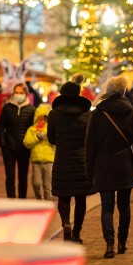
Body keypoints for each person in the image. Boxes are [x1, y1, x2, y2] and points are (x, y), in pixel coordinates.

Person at [85, 76, 133, 259]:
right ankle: (122, 242)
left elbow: (90, 146)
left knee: (107, 207)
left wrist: (89, 171)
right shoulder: (130, 112)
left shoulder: (98, 113)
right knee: (124, 206)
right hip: (125, 164)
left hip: (104, 164)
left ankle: (109, 243)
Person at [48, 73, 93, 244]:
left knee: (63, 195)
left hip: (62, 159)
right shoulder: (86, 114)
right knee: (81, 197)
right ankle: (77, 232)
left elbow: (51, 139)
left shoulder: (54, 114)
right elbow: (89, 137)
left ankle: (66, 224)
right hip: (81, 159)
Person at [0, 83, 36, 198]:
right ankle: (11, 200)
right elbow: (0, 126)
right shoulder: (7, 107)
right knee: (10, 176)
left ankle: (22, 200)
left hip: (24, 148)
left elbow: (32, 129)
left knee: (23, 177)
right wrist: (2, 144)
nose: (18, 95)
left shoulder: (31, 109)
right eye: (16, 92)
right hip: (8, 147)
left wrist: (29, 143)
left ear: (26, 94)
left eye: (21, 93)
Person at [23, 104, 55, 200]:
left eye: (44, 118)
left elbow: (55, 141)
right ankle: (39, 199)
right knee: (36, 183)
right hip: (36, 160)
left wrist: (48, 136)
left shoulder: (49, 128)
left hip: (48, 160)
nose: (42, 121)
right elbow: (27, 143)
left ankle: (47, 203)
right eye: (40, 118)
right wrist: (37, 137)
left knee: (47, 185)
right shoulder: (32, 129)